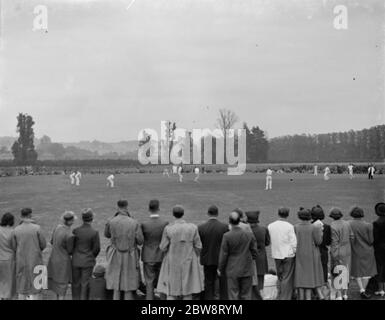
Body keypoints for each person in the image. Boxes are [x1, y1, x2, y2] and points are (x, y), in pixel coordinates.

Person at [157, 205, 204, 300]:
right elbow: (199, 246)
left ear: (173, 214)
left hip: (172, 261)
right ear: (183, 214)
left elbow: (162, 247)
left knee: (171, 291)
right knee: (187, 291)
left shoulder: (169, 228)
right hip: (188, 261)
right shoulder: (192, 228)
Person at [105, 200, 143, 300]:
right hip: (130, 255)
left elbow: (107, 234)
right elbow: (140, 241)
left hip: (115, 254)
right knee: (128, 286)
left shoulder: (111, 221)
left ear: (118, 207)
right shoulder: (134, 222)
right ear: (126, 207)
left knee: (116, 286)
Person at [218, 211, 257, 300]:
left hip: (232, 268)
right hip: (247, 268)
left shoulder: (227, 236)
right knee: (246, 295)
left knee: (233, 295)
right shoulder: (249, 234)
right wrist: (251, 259)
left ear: (230, 222)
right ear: (239, 221)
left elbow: (223, 254)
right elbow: (254, 251)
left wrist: (220, 268)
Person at [11, 208, 47, 300]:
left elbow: (14, 247)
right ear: (30, 215)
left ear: (21, 216)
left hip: (21, 261)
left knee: (22, 287)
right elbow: (43, 244)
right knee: (37, 287)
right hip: (35, 260)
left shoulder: (16, 230)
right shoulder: (37, 228)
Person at [198, 205, 229, 300]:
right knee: (220, 281)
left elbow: (199, 244)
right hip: (220, 258)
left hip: (207, 258)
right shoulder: (224, 227)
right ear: (217, 213)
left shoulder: (201, 227)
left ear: (208, 213)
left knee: (208, 281)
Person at [141, 199, 169, 300]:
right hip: (161, 256)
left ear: (149, 209)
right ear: (159, 209)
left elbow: (141, 240)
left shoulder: (144, 224)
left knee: (149, 283)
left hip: (148, 256)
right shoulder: (165, 223)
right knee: (162, 282)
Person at [294, 208, 324, 300]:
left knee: (301, 277)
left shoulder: (295, 227)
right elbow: (319, 242)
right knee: (309, 277)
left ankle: (302, 297)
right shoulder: (314, 227)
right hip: (312, 254)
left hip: (299, 253)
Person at [267, 207, 297, 300]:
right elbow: (293, 242)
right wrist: (294, 252)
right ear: (287, 215)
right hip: (288, 254)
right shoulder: (289, 226)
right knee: (287, 277)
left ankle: (280, 295)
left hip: (276, 254)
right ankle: (285, 297)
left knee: (280, 275)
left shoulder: (270, 226)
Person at [71, 208, 100, 300]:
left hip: (75, 261)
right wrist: (91, 256)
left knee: (75, 284)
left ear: (82, 218)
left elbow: (72, 246)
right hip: (87, 261)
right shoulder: (94, 232)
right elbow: (96, 249)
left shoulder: (76, 230)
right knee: (85, 284)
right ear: (92, 218)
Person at [349, 206, 377, 299]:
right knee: (367, 272)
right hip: (367, 251)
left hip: (355, 249)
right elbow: (371, 240)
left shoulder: (348, 224)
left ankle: (361, 289)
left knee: (357, 271)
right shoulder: (368, 225)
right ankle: (363, 290)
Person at [47, 211, 76, 300]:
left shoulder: (57, 228)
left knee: (56, 286)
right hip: (63, 263)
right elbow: (70, 251)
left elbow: (52, 242)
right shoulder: (70, 235)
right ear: (71, 221)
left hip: (53, 260)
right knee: (62, 288)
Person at [329, 208, 354, 300]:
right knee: (346, 270)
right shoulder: (347, 223)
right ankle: (345, 294)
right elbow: (352, 236)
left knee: (337, 272)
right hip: (347, 249)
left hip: (338, 251)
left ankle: (339, 295)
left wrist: (334, 254)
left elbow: (334, 242)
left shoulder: (332, 226)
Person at [246, 210, 270, 299]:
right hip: (261, 258)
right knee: (260, 281)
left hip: (250, 258)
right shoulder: (264, 229)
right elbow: (267, 242)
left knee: (249, 281)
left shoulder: (246, 230)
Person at [311, 205, 332, 295]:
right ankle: (323, 292)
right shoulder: (327, 226)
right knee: (323, 272)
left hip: (313, 252)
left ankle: (316, 292)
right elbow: (328, 242)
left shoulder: (310, 226)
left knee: (313, 272)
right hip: (323, 252)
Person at [0, 213, 16, 300]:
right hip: (9, 260)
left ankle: (2, 296)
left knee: (1, 280)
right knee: (10, 282)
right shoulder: (12, 232)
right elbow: (14, 246)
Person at [373, 202, 385, 297]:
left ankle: (381, 289)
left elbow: (375, 238)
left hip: (380, 248)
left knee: (380, 268)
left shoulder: (377, 223)